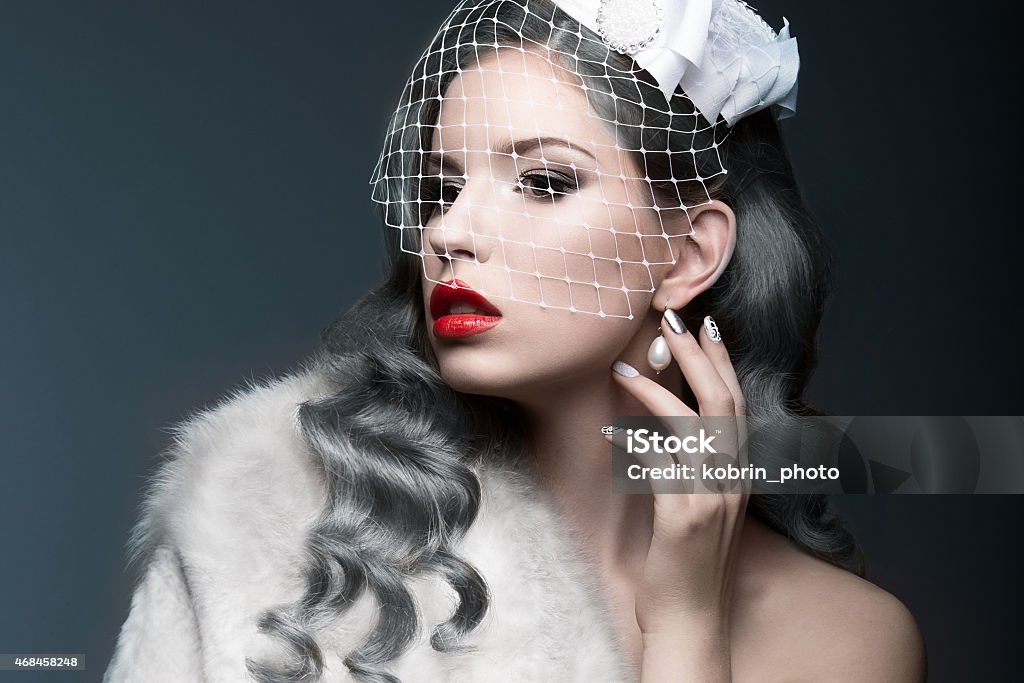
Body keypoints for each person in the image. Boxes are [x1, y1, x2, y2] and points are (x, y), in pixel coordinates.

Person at [105, 0, 926, 680]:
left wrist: (684, 630)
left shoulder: (848, 642)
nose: (451, 233)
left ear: (686, 254)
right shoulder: (273, 517)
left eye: (543, 181)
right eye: (443, 187)